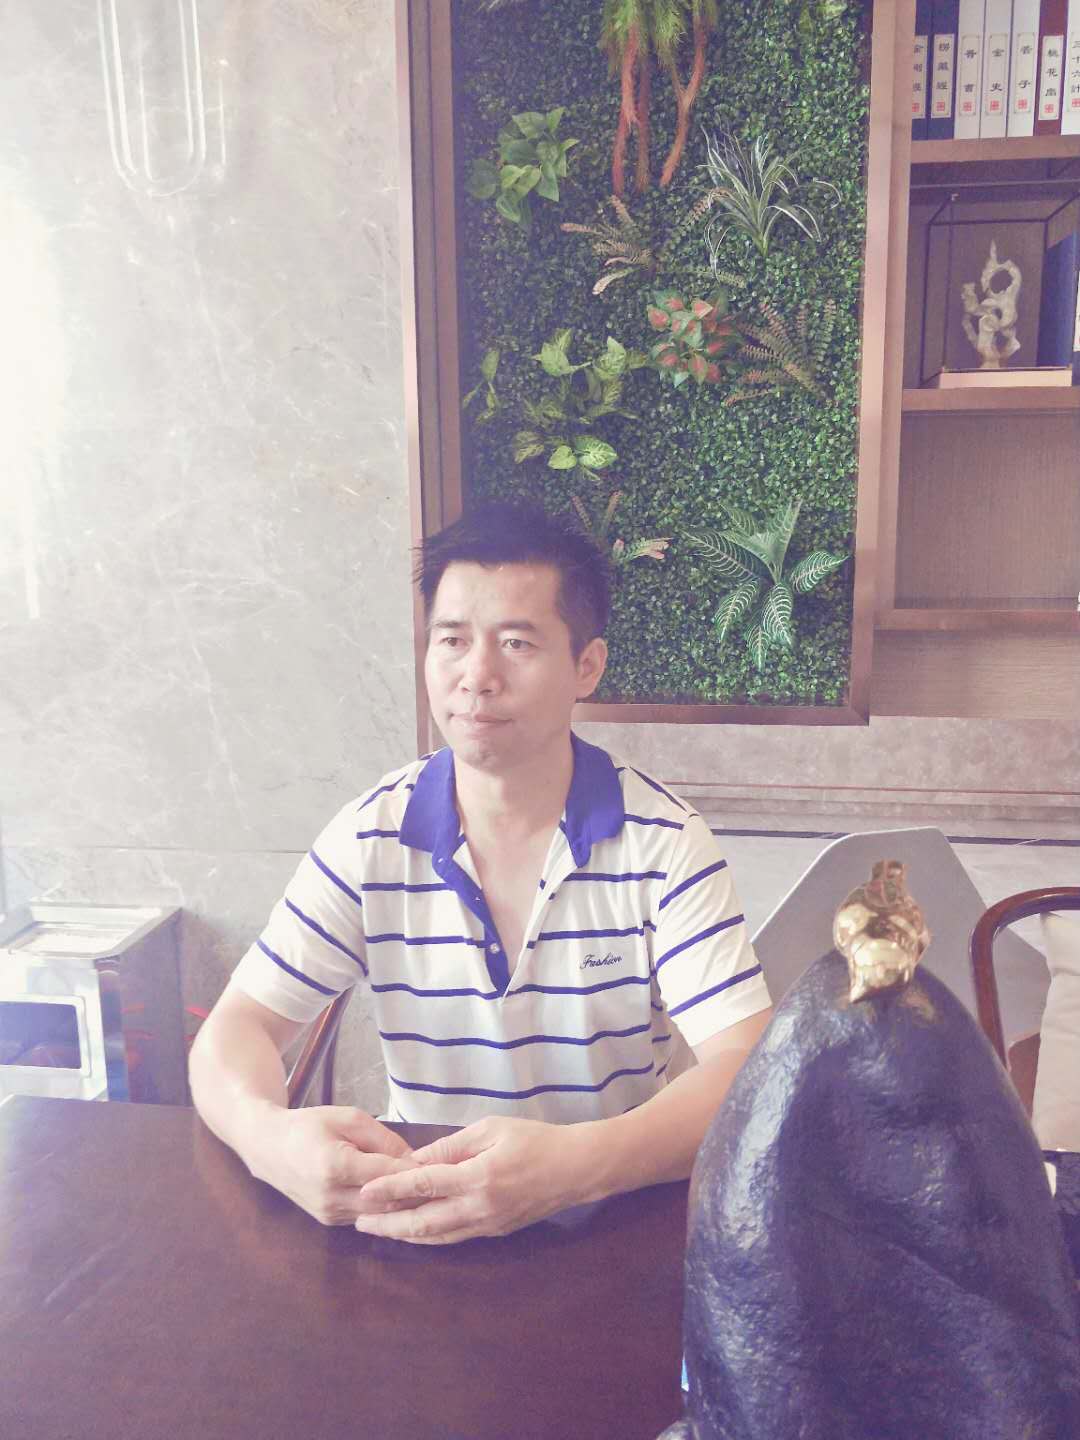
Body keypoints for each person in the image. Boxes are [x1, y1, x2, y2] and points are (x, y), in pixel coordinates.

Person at [189, 501, 772, 1244]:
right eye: (453, 640)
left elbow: (746, 1067)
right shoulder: (371, 837)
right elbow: (238, 1028)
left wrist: (574, 1167)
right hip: (417, 1223)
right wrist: (268, 1140)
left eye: (517, 643)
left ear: (586, 666)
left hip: (610, 1226)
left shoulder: (664, 843)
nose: (477, 676)